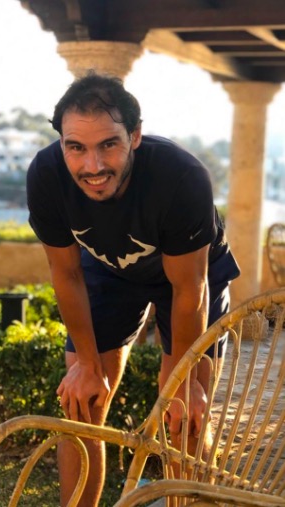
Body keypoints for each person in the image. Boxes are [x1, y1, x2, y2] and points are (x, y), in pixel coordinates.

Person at [26, 73, 240, 507]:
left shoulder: (181, 178)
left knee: (183, 415)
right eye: (76, 147)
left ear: (135, 136)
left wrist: (181, 383)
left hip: (190, 275)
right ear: (61, 142)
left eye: (108, 144)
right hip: (109, 266)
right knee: (81, 404)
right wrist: (86, 363)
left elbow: (190, 289)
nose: (93, 166)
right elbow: (65, 274)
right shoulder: (47, 176)